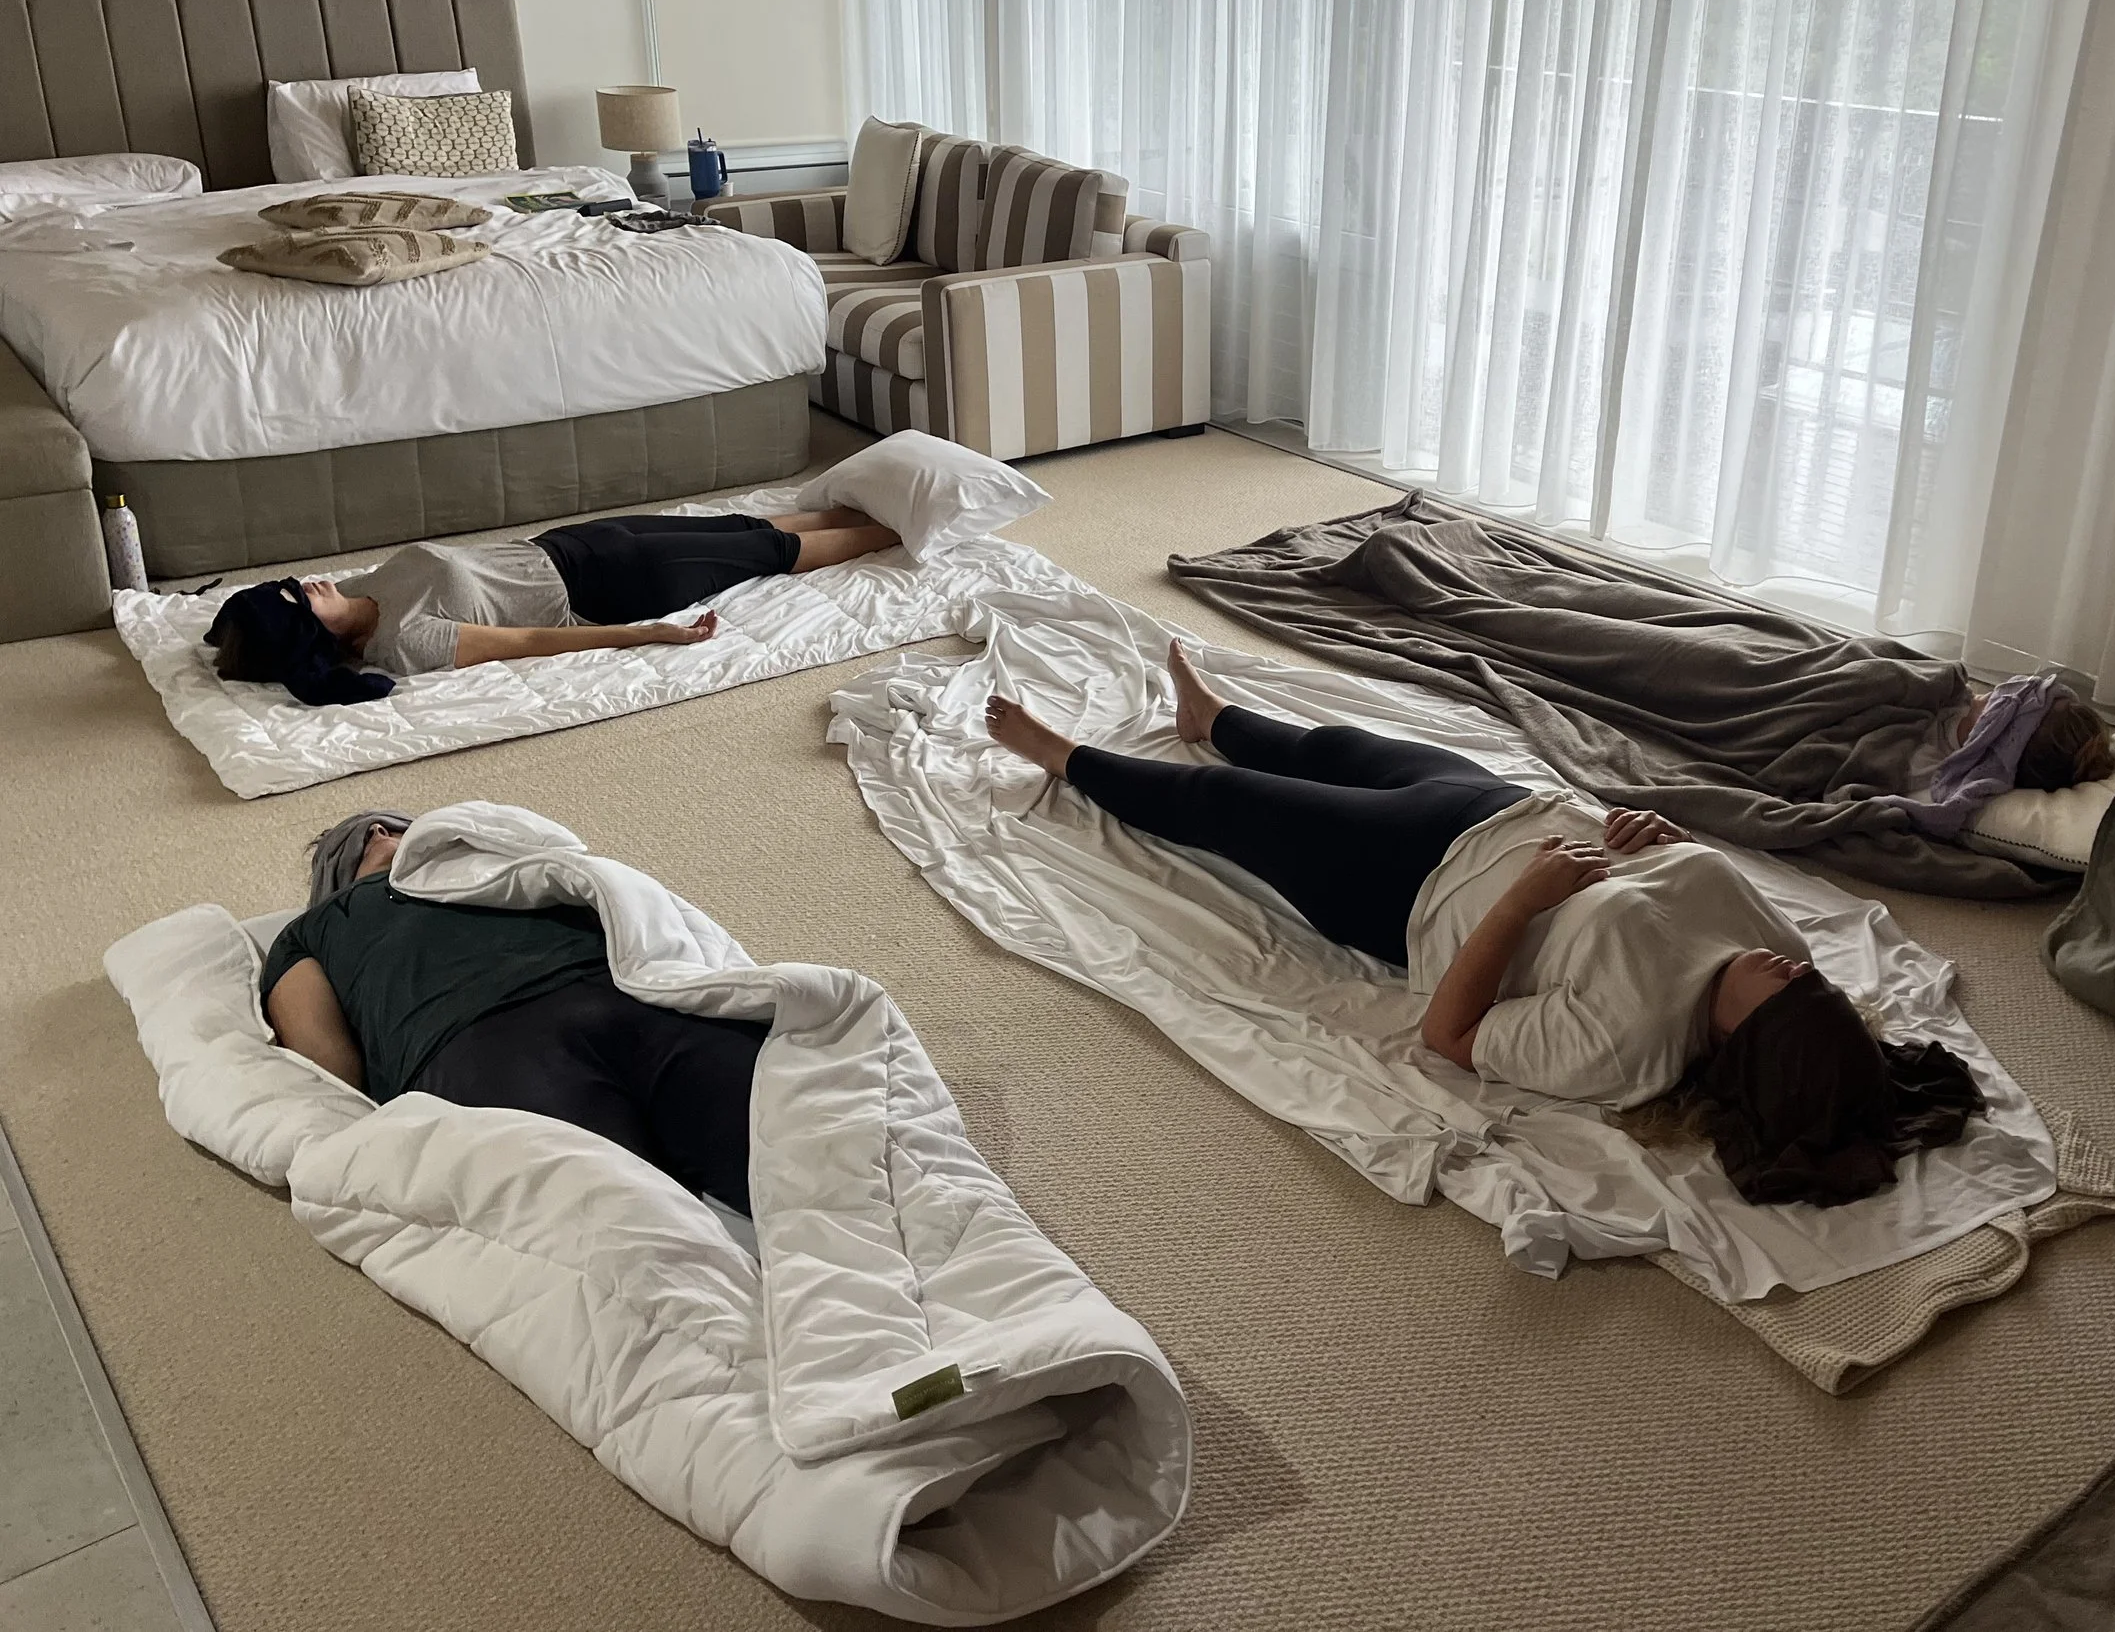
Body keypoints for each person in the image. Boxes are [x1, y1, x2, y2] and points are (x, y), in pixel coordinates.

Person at [985, 643, 1980, 1205]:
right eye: (1806, 979)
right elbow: (1678, 872)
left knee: (1232, 809)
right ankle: (1210, 721)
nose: (1790, 964)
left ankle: (1063, 757)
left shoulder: (1625, 1047)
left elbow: (1448, 1036)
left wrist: (1525, 901)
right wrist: (1656, 835)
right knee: (1338, 744)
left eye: (1787, 990)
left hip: (1408, 887)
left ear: (1740, 1034)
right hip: (1510, 813)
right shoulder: (1783, 953)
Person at [259, 811, 766, 1213]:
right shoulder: (497, 862)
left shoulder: (309, 934)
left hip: (481, 1053)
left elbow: (329, 1072)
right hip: (617, 1001)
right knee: (800, 1162)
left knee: (637, 1234)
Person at [205, 505, 902, 705]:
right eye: (297, 597)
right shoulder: (409, 642)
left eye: (290, 582)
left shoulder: (364, 585)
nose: (305, 582)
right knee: (776, 551)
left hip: (571, 544)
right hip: (608, 588)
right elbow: (535, 644)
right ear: (305, 631)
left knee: (747, 527)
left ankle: (896, 495)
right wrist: (647, 633)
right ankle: (905, 526)